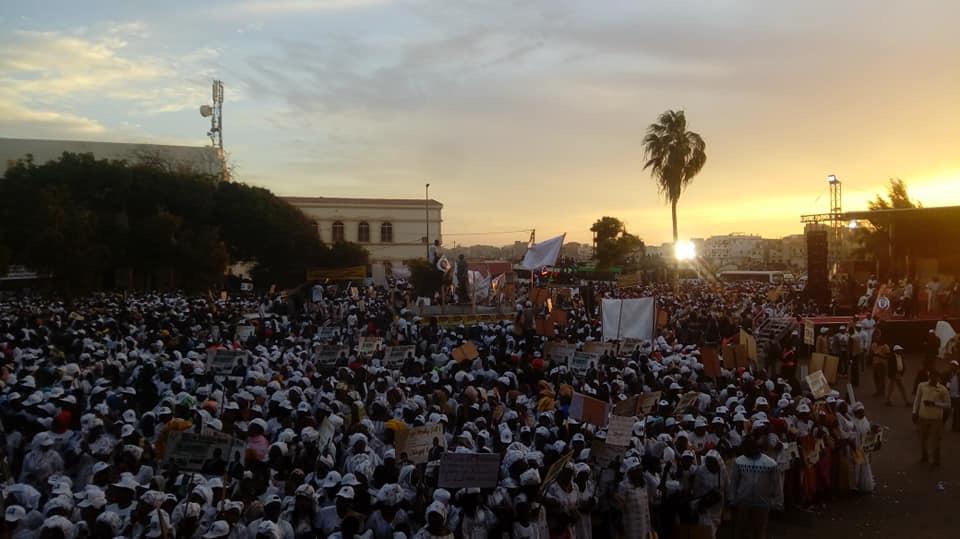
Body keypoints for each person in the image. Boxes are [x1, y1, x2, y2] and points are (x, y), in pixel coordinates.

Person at [728, 437, 781, 539]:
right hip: (743, 502)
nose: (744, 451)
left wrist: (778, 502)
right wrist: (732, 499)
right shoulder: (739, 461)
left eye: (746, 448)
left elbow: (777, 484)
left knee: (759, 533)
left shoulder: (770, 463)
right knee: (740, 532)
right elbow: (734, 482)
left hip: (762, 503)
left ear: (753, 448)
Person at [912, 370, 952, 468]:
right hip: (923, 417)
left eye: (936, 377)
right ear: (929, 377)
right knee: (922, 439)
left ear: (939, 378)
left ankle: (935, 460)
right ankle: (924, 456)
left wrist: (934, 404)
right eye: (932, 377)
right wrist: (914, 412)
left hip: (936, 419)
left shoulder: (943, 389)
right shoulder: (922, 386)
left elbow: (948, 405)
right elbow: (917, 399)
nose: (934, 379)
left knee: (935, 441)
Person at [949, 360, 960, 433]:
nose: (952, 367)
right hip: (950, 395)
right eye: (951, 366)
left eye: (954, 366)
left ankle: (957, 426)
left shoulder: (958, 374)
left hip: (957, 395)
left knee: (957, 412)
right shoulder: (948, 374)